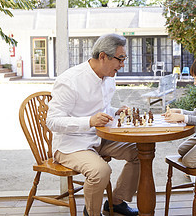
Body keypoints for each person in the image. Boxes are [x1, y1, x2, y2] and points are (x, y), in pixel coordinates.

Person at [46, 33, 139, 216]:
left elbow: (100, 109)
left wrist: (115, 111)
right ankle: (91, 212)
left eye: (124, 59)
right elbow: (53, 121)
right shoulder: (70, 81)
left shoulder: (109, 77)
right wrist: (89, 121)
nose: (122, 65)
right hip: (70, 145)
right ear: (103, 56)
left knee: (141, 152)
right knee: (101, 171)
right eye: (120, 59)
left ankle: (116, 202)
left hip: (99, 138)